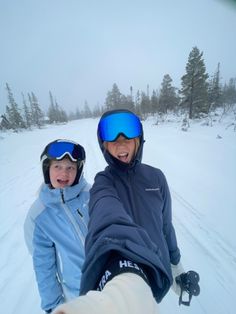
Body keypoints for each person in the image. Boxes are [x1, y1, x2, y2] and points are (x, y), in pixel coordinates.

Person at [52, 110, 200, 314]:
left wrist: (175, 266)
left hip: (157, 272)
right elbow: (106, 215)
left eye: (127, 137)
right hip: (120, 278)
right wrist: (120, 283)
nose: (121, 144)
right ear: (104, 145)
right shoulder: (103, 182)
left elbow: (166, 226)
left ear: (138, 140)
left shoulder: (156, 178)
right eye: (112, 138)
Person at [24, 139, 90, 313]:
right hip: (78, 297)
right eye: (58, 167)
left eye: (71, 168)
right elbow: (43, 266)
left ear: (79, 170)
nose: (64, 173)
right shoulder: (39, 215)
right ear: (47, 169)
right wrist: (54, 306)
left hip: (112, 287)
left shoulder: (92, 195)